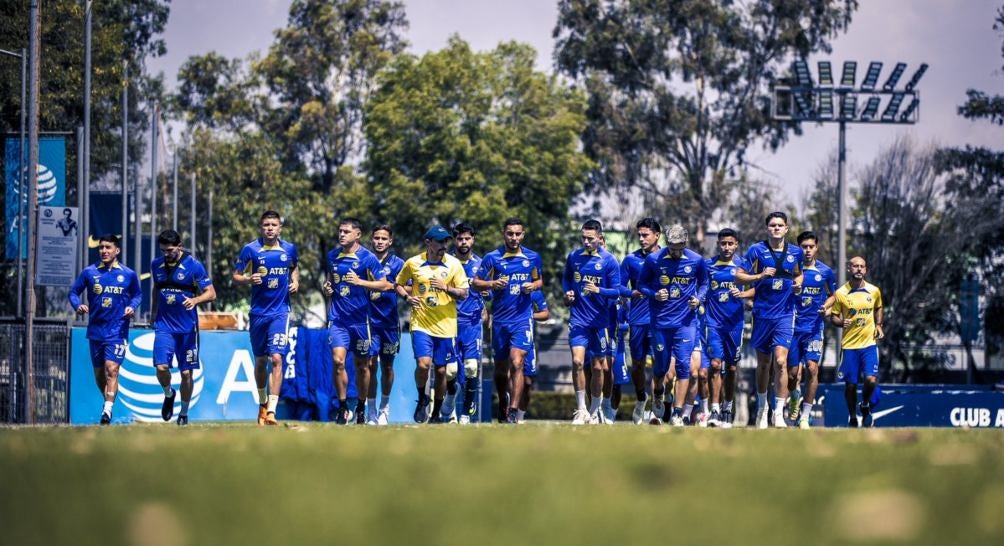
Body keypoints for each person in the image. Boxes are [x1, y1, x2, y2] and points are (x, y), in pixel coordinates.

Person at [735, 211, 804, 429]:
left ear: (786, 228)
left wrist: (799, 284)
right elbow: (738, 275)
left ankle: (779, 413)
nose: (776, 228)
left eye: (780, 225)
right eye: (772, 225)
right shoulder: (757, 250)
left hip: (785, 313)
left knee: (781, 362)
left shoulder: (796, 252)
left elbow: (799, 274)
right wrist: (759, 277)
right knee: (764, 365)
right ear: (767, 228)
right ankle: (763, 410)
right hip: (762, 314)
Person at [472, 218, 543, 424]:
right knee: (501, 369)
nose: (514, 238)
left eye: (517, 234)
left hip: (522, 320)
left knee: (517, 361)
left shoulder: (532, 257)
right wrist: (493, 283)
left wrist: (533, 286)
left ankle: (513, 411)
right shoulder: (492, 258)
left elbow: (539, 280)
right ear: (504, 233)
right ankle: (503, 400)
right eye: (510, 233)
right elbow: (476, 283)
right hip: (500, 322)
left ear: (523, 234)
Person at [396, 226, 469, 423]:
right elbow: (398, 283)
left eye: (445, 241)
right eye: (439, 241)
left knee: (441, 371)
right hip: (421, 324)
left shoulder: (454, 264)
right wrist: (406, 297)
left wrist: (446, 288)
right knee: (423, 364)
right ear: (428, 242)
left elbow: (464, 292)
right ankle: (422, 399)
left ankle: (436, 413)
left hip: (446, 326)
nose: (443, 245)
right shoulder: (413, 262)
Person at [233, 210, 299, 426]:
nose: (270, 228)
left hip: (280, 312)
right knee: (261, 361)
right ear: (261, 227)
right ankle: (262, 403)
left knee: (277, 358)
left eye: (274, 225)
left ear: (280, 227)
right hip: (258, 313)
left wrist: (295, 282)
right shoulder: (250, 249)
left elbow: (294, 267)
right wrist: (247, 279)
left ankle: (271, 411)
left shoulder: (289, 249)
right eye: (266, 225)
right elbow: (235, 276)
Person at [322, 218, 392, 424]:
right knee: (338, 361)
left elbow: (385, 284)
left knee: (363, 366)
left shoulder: (368, 258)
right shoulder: (332, 256)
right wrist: (327, 288)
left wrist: (360, 282)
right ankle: (343, 406)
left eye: (346, 231)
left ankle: (361, 407)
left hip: (362, 322)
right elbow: (330, 280)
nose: (341, 235)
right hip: (338, 320)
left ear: (357, 235)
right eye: (340, 231)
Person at [639, 224, 708, 426]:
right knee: (661, 368)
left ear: (685, 243)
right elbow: (641, 285)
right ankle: (658, 394)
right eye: (672, 247)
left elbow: (704, 284)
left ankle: (678, 413)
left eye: (679, 247)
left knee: (684, 365)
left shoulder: (696, 260)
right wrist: (654, 294)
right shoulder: (654, 260)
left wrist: (699, 298)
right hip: (660, 323)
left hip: (686, 323)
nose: (676, 251)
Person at [68, 234, 141, 425]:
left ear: (117, 250)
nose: (104, 251)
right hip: (96, 331)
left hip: (117, 330)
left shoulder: (128, 274)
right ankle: (107, 399)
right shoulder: (89, 273)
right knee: (100, 374)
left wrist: (131, 307)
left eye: (108, 247)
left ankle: (107, 411)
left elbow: (137, 295)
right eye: (101, 248)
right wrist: (78, 306)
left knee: (112, 369)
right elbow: (74, 292)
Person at [150, 230, 216, 426]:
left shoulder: (193, 266)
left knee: (186, 373)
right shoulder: (156, 265)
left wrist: (196, 300)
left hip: (187, 329)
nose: (166, 254)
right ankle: (169, 393)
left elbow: (211, 293)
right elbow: (156, 289)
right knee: (161, 367)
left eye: (170, 250)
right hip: (164, 326)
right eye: (163, 250)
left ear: (180, 246)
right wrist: (153, 314)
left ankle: (184, 413)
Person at [563, 219, 622, 424]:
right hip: (579, 319)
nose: (586, 242)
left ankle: (595, 409)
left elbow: (617, 292)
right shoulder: (574, 257)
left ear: (600, 238)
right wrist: (567, 294)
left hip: (601, 322)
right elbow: (567, 279)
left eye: (590, 238)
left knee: (599, 368)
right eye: (584, 238)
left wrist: (599, 290)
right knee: (578, 362)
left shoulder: (609, 261)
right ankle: (581, 410)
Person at [787, 231, 836, 429]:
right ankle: (794, 396)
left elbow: (834, 295)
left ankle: (805, 416)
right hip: (791, 329)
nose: (807, 250)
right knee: (792, 375)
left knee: (812, 369)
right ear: (798, 248)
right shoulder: (790, 270)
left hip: (814, 328)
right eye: (804, 247)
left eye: (811, 247)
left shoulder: (825, 272)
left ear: (816, 248)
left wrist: (827, 306)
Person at [704, 228, 752, 428]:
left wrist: (745, 295)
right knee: (715, 365)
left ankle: (727, 408)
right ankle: (714, 410)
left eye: (730, 243)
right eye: (723, 243)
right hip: (713, 323)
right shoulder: (709, 266)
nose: (726, 247)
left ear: (736, 245)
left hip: (735, 324)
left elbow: (756, 288)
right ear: (718, 244)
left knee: (732, 368)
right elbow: (701, 289)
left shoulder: (743, 266)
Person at [830, 256, 884, 428]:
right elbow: (834, 317)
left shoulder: (874, 290)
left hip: (869, 344)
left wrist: (879, 325)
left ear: (865, 270)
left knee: (871, 380)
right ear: (849, 269)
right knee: (851, 386)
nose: (859, 269)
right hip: (849, 346)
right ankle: (853, 416)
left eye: (862, 266)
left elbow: (879, 307)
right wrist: (841, 322)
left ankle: (865, 404)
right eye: (855, 266)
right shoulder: (840, 293)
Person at [620, 218, 662, 424]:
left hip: (661, 321)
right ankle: (640, 398)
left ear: (657, 235)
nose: (642, 239)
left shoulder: (668, 258)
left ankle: (656, 409)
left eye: (645, 235)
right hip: (637, 320)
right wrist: (631, 292)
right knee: (637, 365)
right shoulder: (630, 260)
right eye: (639, 235)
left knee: (658, 365)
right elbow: (618, 286)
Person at [365, 225, 406, 425]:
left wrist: (389, 286)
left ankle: (384, 407)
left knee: (388, 366)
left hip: (389, 323)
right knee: (370, 365)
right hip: (368, 322)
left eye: (384, 238)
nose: (380, 241)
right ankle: (371, 410)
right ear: (371, 240)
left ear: (390, 242)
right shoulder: (364, 260)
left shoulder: (399, 264)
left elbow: (409, 287)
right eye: (376, 238)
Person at [448, 222, 486, 424]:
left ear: (473, 240)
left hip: (472, 323)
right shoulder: (446, 263)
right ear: (455, 240)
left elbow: (485, 292)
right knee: (450, 370)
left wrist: (486, 308)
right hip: (448, 322)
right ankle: (450, 408)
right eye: (460, 239)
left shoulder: (481, 265)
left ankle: (465, 413)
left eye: (467, 238)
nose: (464, 242)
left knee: (471, 367)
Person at [516, 290, 550, 423]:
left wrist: (530, 315)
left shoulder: (535, 292)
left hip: (528, 341)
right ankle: (509, 411)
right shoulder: (509, 288)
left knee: (528, 382)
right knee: (511, 373)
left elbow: (546, 313)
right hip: (512, 339)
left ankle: (520, 415)